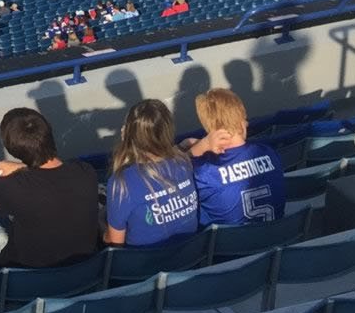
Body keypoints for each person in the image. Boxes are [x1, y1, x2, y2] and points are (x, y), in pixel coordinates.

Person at [0, 107, 100, 268]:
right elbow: (49, 179)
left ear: (12, 148)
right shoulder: (86, 172)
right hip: (83, 272)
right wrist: (21, 168)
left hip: (25, 277)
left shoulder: (14, 188)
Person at [105, 100, 199, 246]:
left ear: (129, 135)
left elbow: (114, 244)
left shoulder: (122, 183)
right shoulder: (184, 162)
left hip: (145, 266)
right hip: (188, 259)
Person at [187, 89, 286, 227]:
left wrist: (195, 149)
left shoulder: (205, 172)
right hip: (276, 237)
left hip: (230, 245)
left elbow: (170, 173)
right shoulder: (269, 153)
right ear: (242, 119)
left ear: (210, 129)